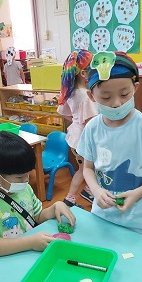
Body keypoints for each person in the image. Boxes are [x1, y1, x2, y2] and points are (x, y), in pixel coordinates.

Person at [0, 131, 76, 256]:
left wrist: (54, 208)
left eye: (28, 174)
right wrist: (30, 243)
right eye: (19, 177)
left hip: (32, 253)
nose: (26, 180)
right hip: (10, 258)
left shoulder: (25, 188)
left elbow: (37, 217)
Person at [77, 51, 142, 235]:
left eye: (124, 94)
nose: (116, 103)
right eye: (106, 97)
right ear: (91, 96)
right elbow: (88, 168)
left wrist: (137, 193)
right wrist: (96, 190)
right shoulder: (92, 128)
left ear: (135, 88)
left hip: (138, 221)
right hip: (102, 216)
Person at [56, 49, 98, 207]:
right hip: (83, 140)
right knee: (90, 168)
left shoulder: (71, 92)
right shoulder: (86, 96)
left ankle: (74, 196)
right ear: (84, 73)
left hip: (74, 137)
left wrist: (76, 121)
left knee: (83, 169)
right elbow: (90, 123)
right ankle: (83, 193)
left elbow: (63, 112)